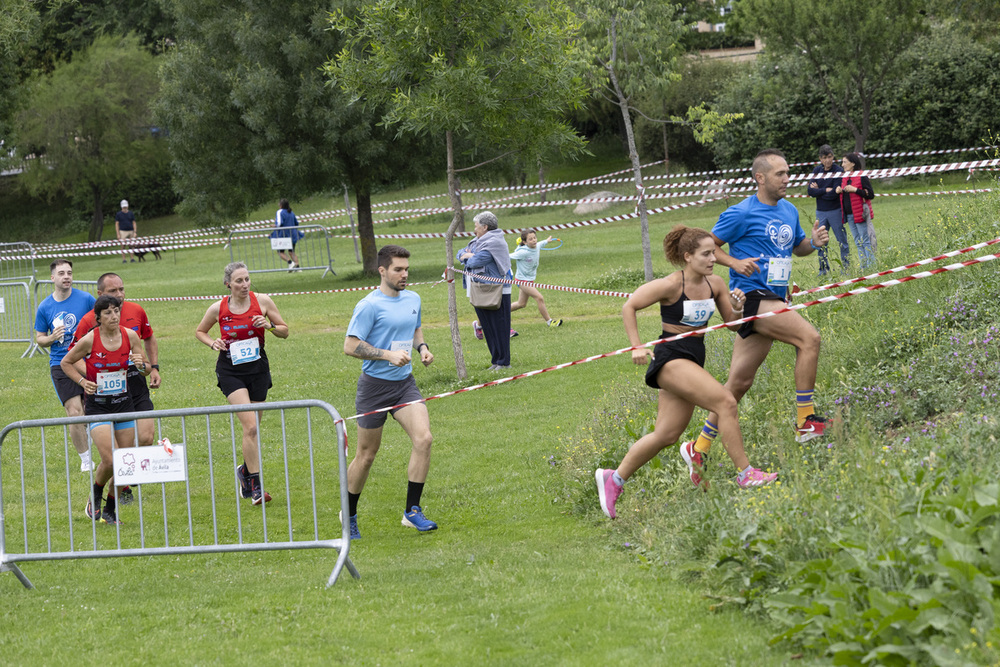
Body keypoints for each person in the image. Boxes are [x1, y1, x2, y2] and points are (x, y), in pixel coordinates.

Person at [595, 226, 777, 518]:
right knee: (726, 402)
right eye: (706, 254)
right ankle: (746, 473)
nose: (713, 259)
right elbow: (629, 306)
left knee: (666, 434)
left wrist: (738, 308)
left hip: (694, 356)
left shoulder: (715, 284)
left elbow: (731, 324)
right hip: (671, 359)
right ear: (687, 256)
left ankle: (613, 478)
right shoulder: (669, 285)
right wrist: (636, 347)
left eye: (713, 253)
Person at [685, 149, 832, 483]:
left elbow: (798, 247)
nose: (787, 179)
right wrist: (734, 263)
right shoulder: (740, 213)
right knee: (809, 338)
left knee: (738, 384)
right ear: (761, 177)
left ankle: (700, 445)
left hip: (775, 296)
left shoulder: (790, 209)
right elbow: (708, 247)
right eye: (780, 173)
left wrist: (815, 242)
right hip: (751, 298)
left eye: (787, 172)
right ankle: (805, 420)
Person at [343, 244, 437, 539]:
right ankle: (349, 514)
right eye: (398, 269)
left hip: (404, 385)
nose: (404, 274)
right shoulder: (369, 305)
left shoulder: (413, 298)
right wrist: (386, 355)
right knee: (367, 455)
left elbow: (415, 328)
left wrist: (422, 348)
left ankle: (412, 511)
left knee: (424, 439)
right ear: (382, 271)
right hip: (374, 388)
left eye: (407, 269)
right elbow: (350, 345)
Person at [195, 261, 289, 504]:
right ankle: (256, 487)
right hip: (230, 370)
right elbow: (200, 331)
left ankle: (244, 472)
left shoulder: (263, 302)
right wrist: (212, 343)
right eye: (239, 281)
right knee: (250, 427)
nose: (245, 284)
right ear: (228, 284)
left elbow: (284, 330)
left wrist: (269, 326)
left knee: (253, 428)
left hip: (257, 368)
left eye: (247, 279)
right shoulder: (218, 308)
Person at [60, 295, 152, 525]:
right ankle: (95, 496)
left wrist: (142, 366)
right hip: (98, 407)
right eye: (108, 312)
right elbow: (66, 362)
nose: (114, 316)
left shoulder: (130, 336)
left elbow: (146, 369)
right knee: (110, 460)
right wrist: (82, 383)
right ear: (98, 317)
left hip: (124, 404)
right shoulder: (90, 339)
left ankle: (110, 509)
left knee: (126, 462)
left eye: (116, 311)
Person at [72, 273, 162, 505]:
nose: (120, 296)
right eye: (113, 292)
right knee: (113, 457)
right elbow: (72, 356)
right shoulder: (87, 323)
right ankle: (117, 489)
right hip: (104, 392)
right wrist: (89, 376)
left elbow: (148, 341)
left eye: (122, 289)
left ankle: (125, 481)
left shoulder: (136, 313)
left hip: (134, 386)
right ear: (100, 296)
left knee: (146, 437)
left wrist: (152, 368)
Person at [33, 259, 97, 472]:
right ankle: (86, 460)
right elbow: (39, 338)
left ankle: (91, 433)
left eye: (69, 272)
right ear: (52, 278)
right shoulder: (45, 307)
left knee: (91, 410)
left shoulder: (86, 299)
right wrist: (51, 338)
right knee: (74, 412)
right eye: (61, 273)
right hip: (61, 363)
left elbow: (100, 323)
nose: (67, 276)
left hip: (88, 360)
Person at [457, 211, 514, 370]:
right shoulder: (478, 241)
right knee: (488, 327)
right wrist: (466, 255)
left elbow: (475, 261)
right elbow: (460, 253)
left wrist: (467, 256)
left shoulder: (495, 242)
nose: (474, 229)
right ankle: (495, 361)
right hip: (480, 288)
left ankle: (504, 362)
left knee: (500, 326)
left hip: (497, 290)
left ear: (485, 227)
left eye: (476, 226)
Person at [807, 145, 850, 276]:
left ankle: (846, 268)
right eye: (824, 158)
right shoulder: (817, 170)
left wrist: (819, 190)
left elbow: (835, 193)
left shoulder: (838, 170)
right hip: (820, 211)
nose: (827, 160)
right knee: (821, 241)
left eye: (830, 157)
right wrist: (825, 190)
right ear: (820, 159)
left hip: (835, 210)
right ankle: (823, 269)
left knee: (842, 241)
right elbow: (810, 191)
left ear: (833, 156)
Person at [509, 229, 562, 327]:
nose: (534, 240)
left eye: (534, 238)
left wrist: (547, 241)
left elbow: (541, 244)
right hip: (522, 280)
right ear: (524, 242)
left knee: (521, 304)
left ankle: (500, 312)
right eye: (530, 239)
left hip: (529, 279)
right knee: (539, 298)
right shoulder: (523, 252)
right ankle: (550, 322)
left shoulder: (536, 246)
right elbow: (508, 257)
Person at [836, 152, 876, 270]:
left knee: (865, 241)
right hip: (849, 215)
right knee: (858, 242)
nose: (842, 165)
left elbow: (870, 194)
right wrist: (839, 190)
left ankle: (871, 267)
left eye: (845, 162)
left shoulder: (862, 176)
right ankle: (864, 267)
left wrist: (855, 190)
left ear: (853, 163)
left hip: (860, 214)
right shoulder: (844, 178)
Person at [270, 198, 303, 271]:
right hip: (293, 234)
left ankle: (290, 263)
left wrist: (274, 225)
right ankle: (298, 267)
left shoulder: (279, 212)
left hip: (283, 235)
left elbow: (279, 223)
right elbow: (296, 223)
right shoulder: (291, 212)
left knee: (280, 252)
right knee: (291, 252)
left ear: (281, 205)